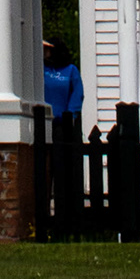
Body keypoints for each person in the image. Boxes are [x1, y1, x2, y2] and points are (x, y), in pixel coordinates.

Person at [39, 38, 89, 238]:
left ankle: (66, 223)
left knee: (63, 175)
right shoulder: (40, 70)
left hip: (62, 126)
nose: (45, 53)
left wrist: (70, 116)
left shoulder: (70, 71)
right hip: (44, 124)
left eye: (48, 49)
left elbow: (77, 95)